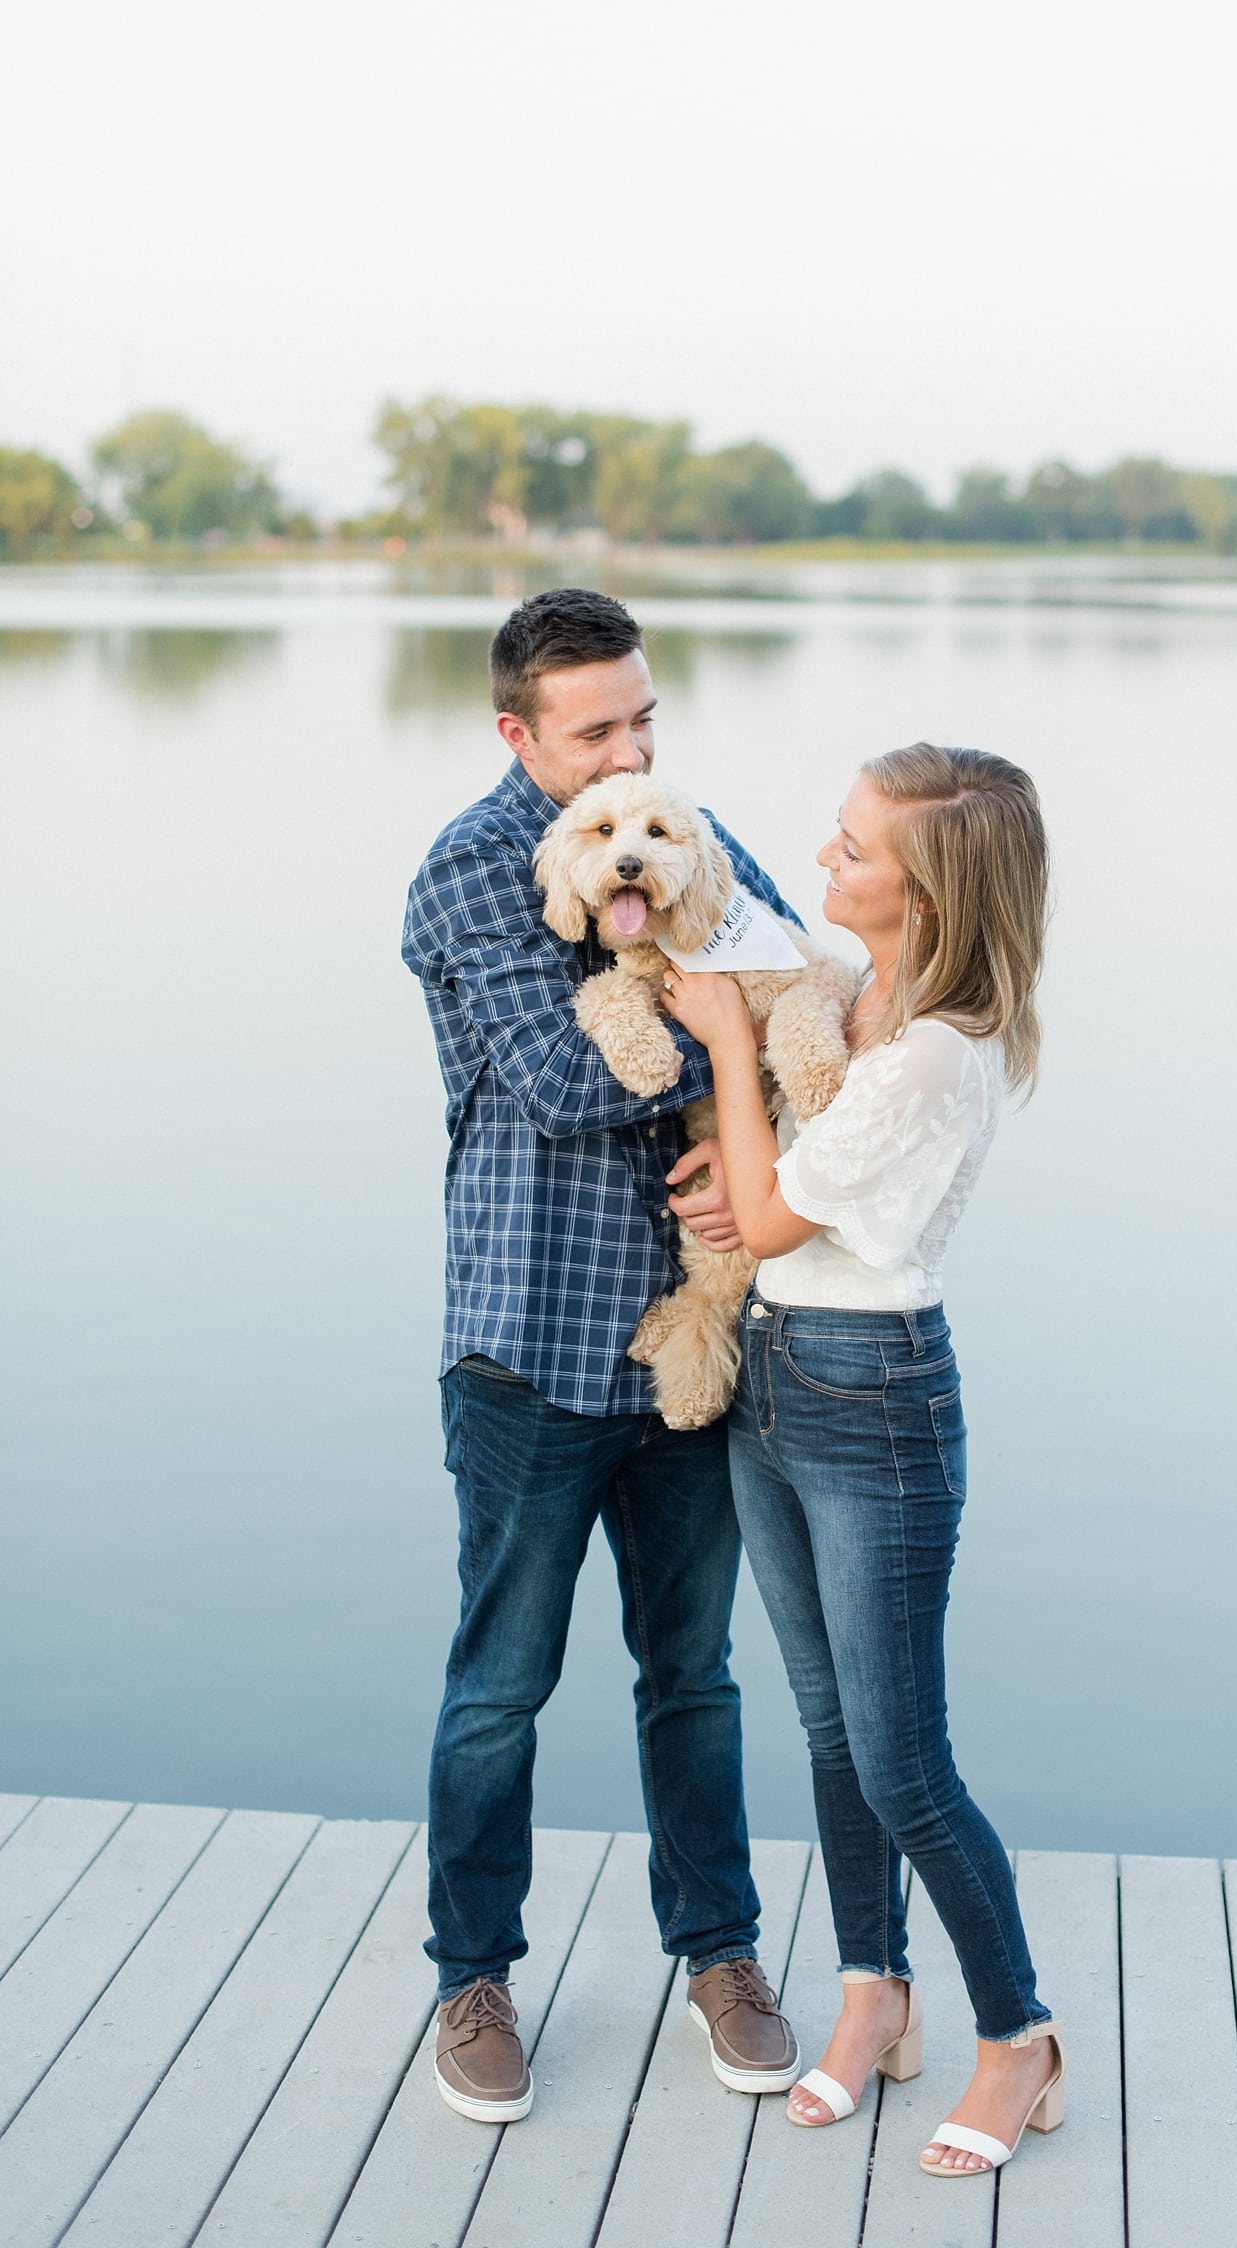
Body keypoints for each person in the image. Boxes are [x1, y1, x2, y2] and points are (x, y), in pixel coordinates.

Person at [402, 587, 802, 2123]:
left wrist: (752, 1100)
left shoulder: (674, 824)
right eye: (596, 732)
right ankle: (474, 1977)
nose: (631, 749)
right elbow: (573, 1083)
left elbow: (784, 973)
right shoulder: (464, 878)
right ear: (518, 734)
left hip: (698, 1343)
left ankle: (720, 1955)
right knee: (501, 1686)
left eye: (644, 719)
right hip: (526, 1349)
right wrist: (731, 1056)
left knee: (691, 1676)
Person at [658, 743, 1062, 2180]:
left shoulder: (937, 1052)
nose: (820, 866)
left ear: (930, 887)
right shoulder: (857, 997)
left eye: (851, 852)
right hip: (775, 1376)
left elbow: (775, 1222)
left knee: (906, 1764)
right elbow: (778, 1197)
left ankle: (1016, 2039)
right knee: (830, 1735)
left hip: (873, 1403)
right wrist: (734, 1161)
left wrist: (718, 1047)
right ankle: (872, 1997)